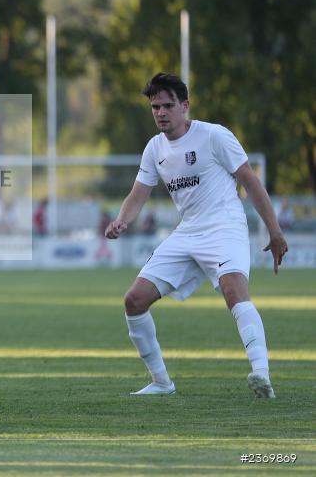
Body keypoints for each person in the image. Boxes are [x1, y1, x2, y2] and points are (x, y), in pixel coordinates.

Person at [105, 72, 288, 398]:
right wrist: (122, 220)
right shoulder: (154, 148)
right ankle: (162, 383)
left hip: (225, 226)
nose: (160, 112)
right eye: (155, 107)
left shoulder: (214, 136)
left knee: (234, 292)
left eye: (167, 105)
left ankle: (261, 374)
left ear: (185, 106)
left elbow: (250, 181)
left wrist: (275, 231)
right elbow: (138, 194)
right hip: (188, 232)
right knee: (133, 300)